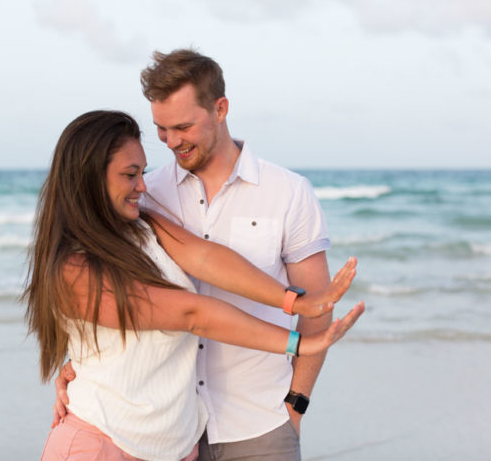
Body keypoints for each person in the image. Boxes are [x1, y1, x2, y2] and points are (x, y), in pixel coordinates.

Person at [54, 49, 345, 460]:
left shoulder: (287, 192)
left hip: (257, 423)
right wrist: (78, 364)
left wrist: (296, 403)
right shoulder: (147, 193)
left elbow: (314, 305)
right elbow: (107, 290)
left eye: (183, 126)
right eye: (161, 129)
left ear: (220, 108)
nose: (172, 141)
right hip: (173, 434)